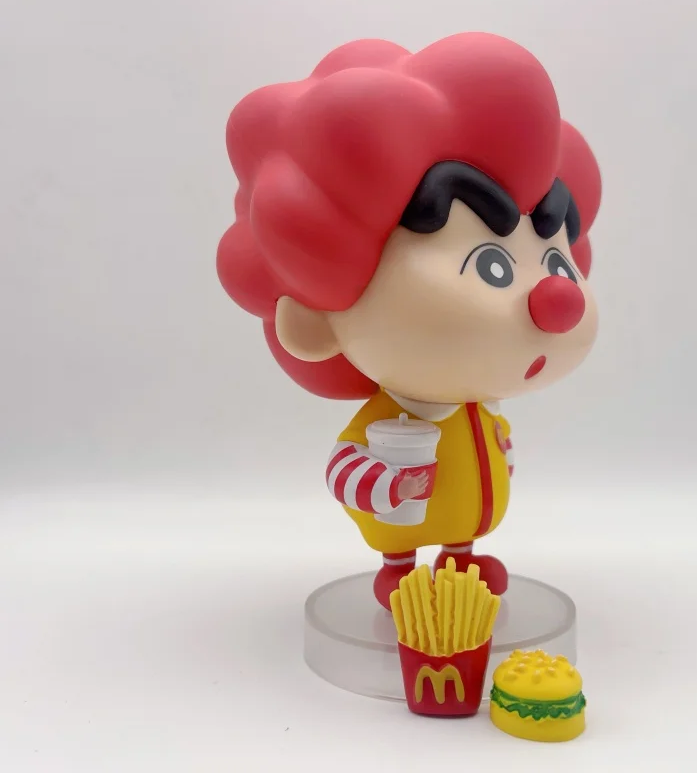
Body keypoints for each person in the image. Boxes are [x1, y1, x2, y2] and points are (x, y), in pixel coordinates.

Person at [217, 32, 602, 609]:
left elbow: (491, 449)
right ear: (318, 320)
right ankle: (399, 566)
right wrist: (390, 483)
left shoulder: (480, 406)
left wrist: (500, 446)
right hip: (401, 521)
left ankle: (460, 558)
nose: (556, 297)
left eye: (555, 259)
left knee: (463, 541)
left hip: (469, 516)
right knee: (406, 542)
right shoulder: (386, 424)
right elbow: (343, 471)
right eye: (492, 266)